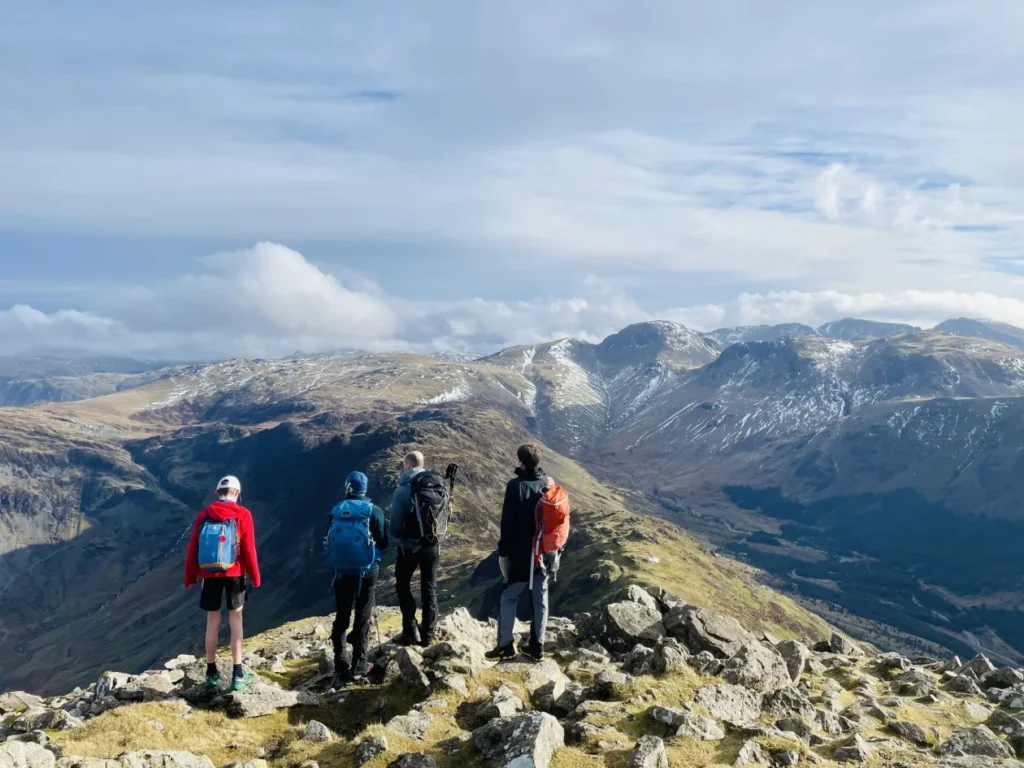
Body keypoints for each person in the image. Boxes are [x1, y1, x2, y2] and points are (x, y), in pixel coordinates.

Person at [184, 475, 261, 692]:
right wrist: (255, 576)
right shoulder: (243, 514)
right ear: (237, 493)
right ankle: (237, 674)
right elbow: (248, 549)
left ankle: (211, 673)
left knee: (212, 621)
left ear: (217, 493)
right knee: (236, 620)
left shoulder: (204, 515)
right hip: (235, 573)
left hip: (210, 576)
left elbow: (193, 548)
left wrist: (190, 577)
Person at [486, 443, 550, 662]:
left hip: (522, 553)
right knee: (540, 599)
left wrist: (504, 553)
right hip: (544, 553)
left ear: (521, 462)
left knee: (509, 596)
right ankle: (537, 647)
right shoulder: (549, 484)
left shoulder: (515, 486)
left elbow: (508, 524)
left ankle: (505, 645)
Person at [325, 471, 388, 682]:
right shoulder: (373, 511)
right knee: (362, 614)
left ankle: (340, 664)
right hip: (367, 570)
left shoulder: (336, 510)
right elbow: (383, 542)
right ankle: (360, 665)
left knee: (342, 615)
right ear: (365, 488)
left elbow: (327, 539)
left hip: (341, 571)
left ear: (348, 487)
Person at [390, 451, 439, 647]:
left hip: (409, 547)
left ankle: (410, 631)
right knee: (429, 588)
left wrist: (400, 535)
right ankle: (428, 635)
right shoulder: (436, 485)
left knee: (402, 585)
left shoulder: (402, 490)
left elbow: (394, 527)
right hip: (432, 545)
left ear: (408, 466)